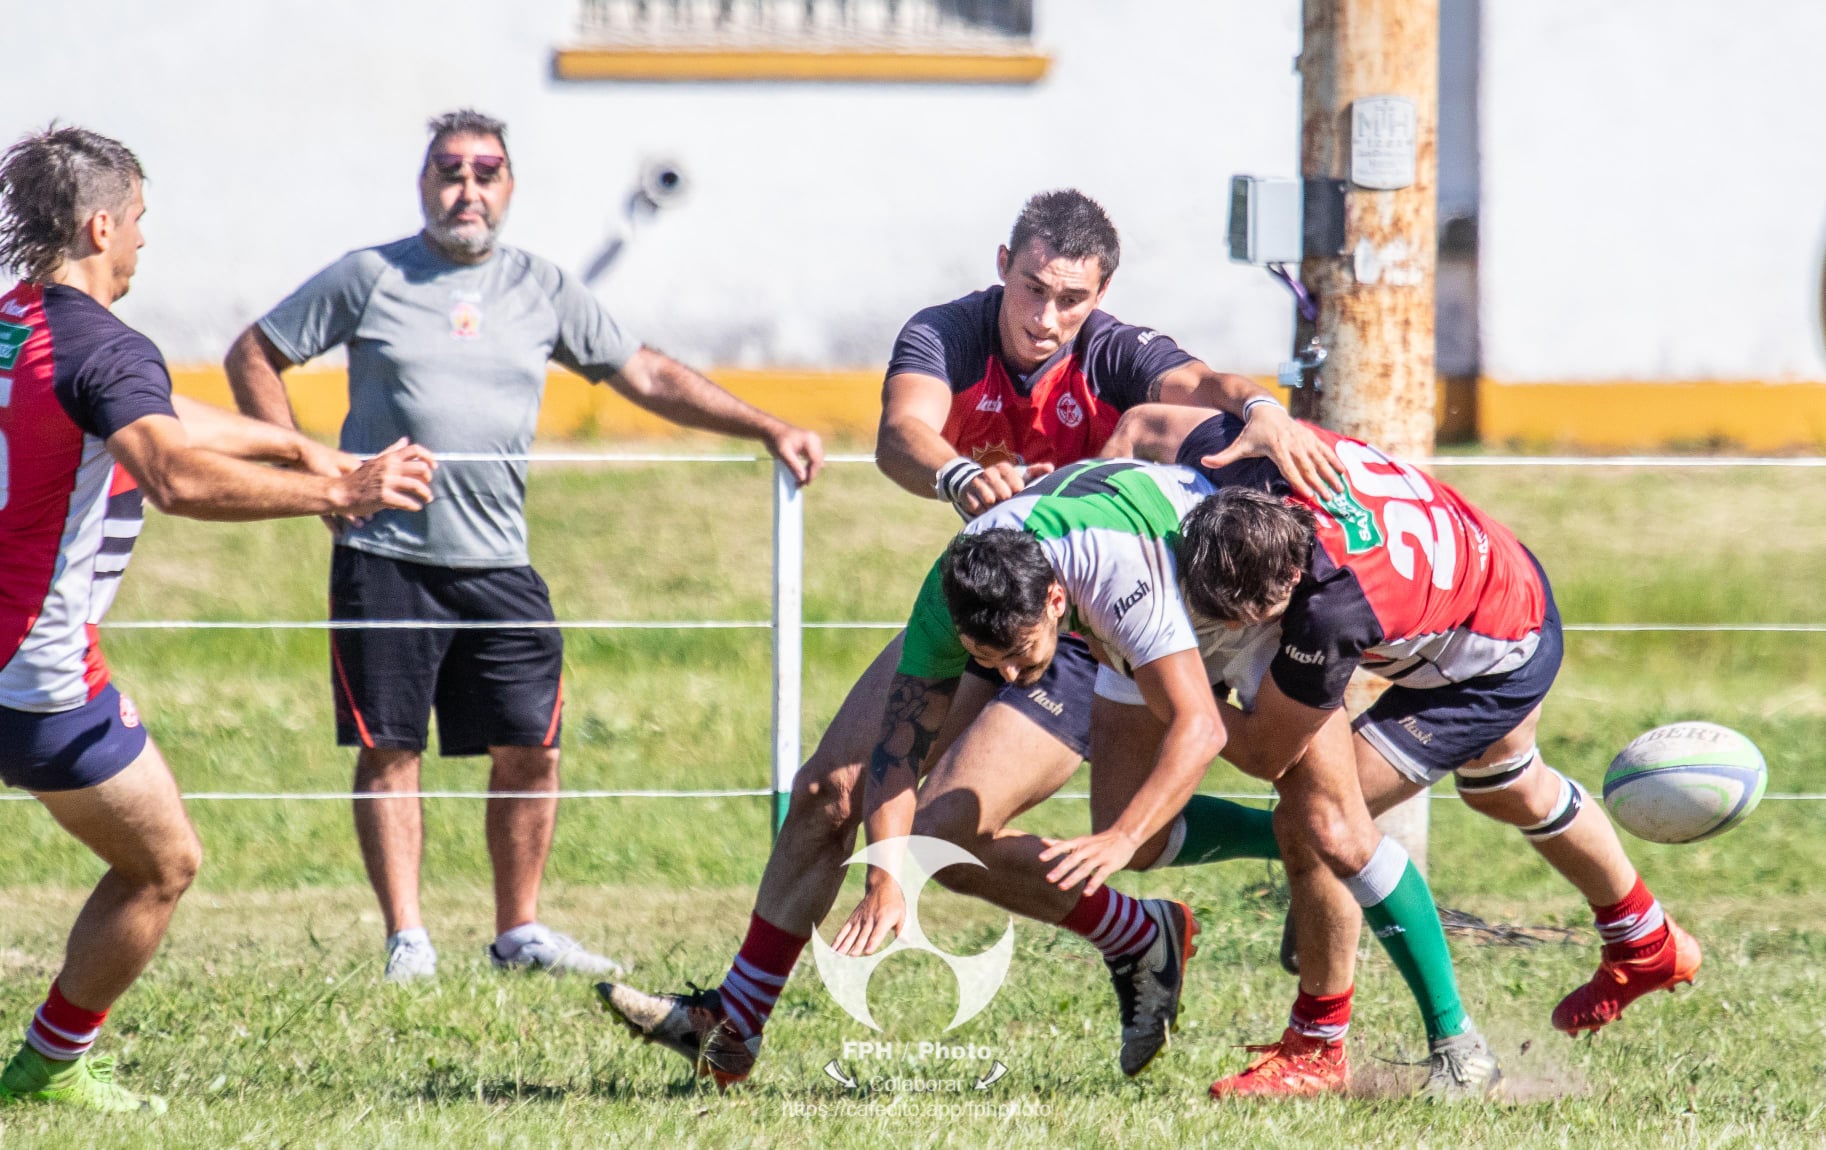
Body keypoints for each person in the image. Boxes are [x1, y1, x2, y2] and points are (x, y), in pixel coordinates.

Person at [599, 189, 1342, 1086]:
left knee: (941, 840)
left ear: (1100, 294)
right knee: (832, 788)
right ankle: (733, 1026)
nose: (1048, 317)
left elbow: (1205, 386)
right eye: (1033, 289)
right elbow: (901, 432)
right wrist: (956, 472)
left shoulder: (1112, 348)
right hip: (985, 596)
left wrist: (1262, 406)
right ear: (1003, 265)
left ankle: (1218, 882)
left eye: (1073, 300)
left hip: (1093, 623)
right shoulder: (947, 333)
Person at [224, 110, 826, 983]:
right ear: (425, 181)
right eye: (449, 171)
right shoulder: (370, 276)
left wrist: (765, 424)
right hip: (385, 555)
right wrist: (315, 468)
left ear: (508, 188)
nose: (466, 188)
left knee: (531, 746)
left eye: (486, 172)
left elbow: (647, 373)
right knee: (391, 746)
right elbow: (256, 353)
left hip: (500, 560)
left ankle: (519, 933)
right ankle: (409, 941)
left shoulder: (541, 287)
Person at [829, 456, 1498, 1101]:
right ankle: (1270, 857)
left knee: (1330, 827)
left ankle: (1458, 1046)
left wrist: (1118, 839)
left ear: (1056, 599)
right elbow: (896, 748)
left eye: (1018, 654)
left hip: (1241, 610)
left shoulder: (1120, 579)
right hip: (1140, 628)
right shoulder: (955, 592)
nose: (1005, 676)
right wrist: (885, 881)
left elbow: (1200, 729)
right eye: (987, 660)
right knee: (1155, 839)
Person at [0, 126, 435, 1114]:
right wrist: (343, 494)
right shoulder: (106, 345)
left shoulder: (15, 326)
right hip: (36, 673)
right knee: (163, 864)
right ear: (101, 223)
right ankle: (50, 1066)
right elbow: (173, 470)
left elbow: (168, 416)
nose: (144, 243)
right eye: (140, 221)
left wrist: (308, 455)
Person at [1127, 405, 1696, 1096]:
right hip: (1496, 573)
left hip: (1492, 659)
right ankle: (1644, 941)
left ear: (1286, 592)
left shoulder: (1326, 613)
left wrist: (1166, 682)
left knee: (1315, 821)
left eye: (1241, 625)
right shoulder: (1246, 455)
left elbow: (1263, 752)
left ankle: (1319, 1044)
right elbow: (1142, 422)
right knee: (1506, 788)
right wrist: (1261, 410)